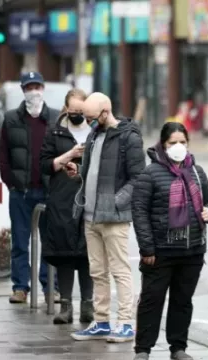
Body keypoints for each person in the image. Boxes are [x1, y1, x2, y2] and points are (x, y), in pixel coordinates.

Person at [131, 122, 208, 360]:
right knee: (152, 300)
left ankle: (178, 348)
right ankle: (143, 350)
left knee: (182, 301)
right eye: (173, 143)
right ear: (163, 144)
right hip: (160, 251)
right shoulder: (150, 174)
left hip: (192, 250)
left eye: (182, 142)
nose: (178, 147)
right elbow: (139, 212)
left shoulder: (197, 172)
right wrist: (147, 247)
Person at [65, 92, 145, 342]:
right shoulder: (94, 134)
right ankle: (101, 321)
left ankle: (125, 323)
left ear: (105, 112)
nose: (87, 122)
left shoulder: (129, 137)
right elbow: (95, 171)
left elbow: (138, 179)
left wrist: (114, 202)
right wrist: (78, 171)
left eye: (91, 117)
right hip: (91, 216)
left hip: (114, 218)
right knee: (97, 271)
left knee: (120, 271)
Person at [0, 71, 60, 304]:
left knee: (48, 242)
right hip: (21, 192)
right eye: (29, 87)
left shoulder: (54, 118)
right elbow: (3, 154)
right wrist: (11, 182)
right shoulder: (12, 118)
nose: (34, 91)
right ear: (23, 90)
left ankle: (49, 286)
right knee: (20, 241)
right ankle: (20, 287)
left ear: (43, 89)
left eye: (37, 86)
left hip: (47, 191)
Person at [39, 88, 94, 324]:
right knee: (64, 254)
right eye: (72, 111)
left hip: (89, 198)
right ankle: (66, 307)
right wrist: (69, 155)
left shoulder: (96, 131)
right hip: (62, 198)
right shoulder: (55, 131)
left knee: (88, 255)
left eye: (81, 111)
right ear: (66, 109)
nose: (77, 115)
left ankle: (88, 306)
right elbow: (43, 165)